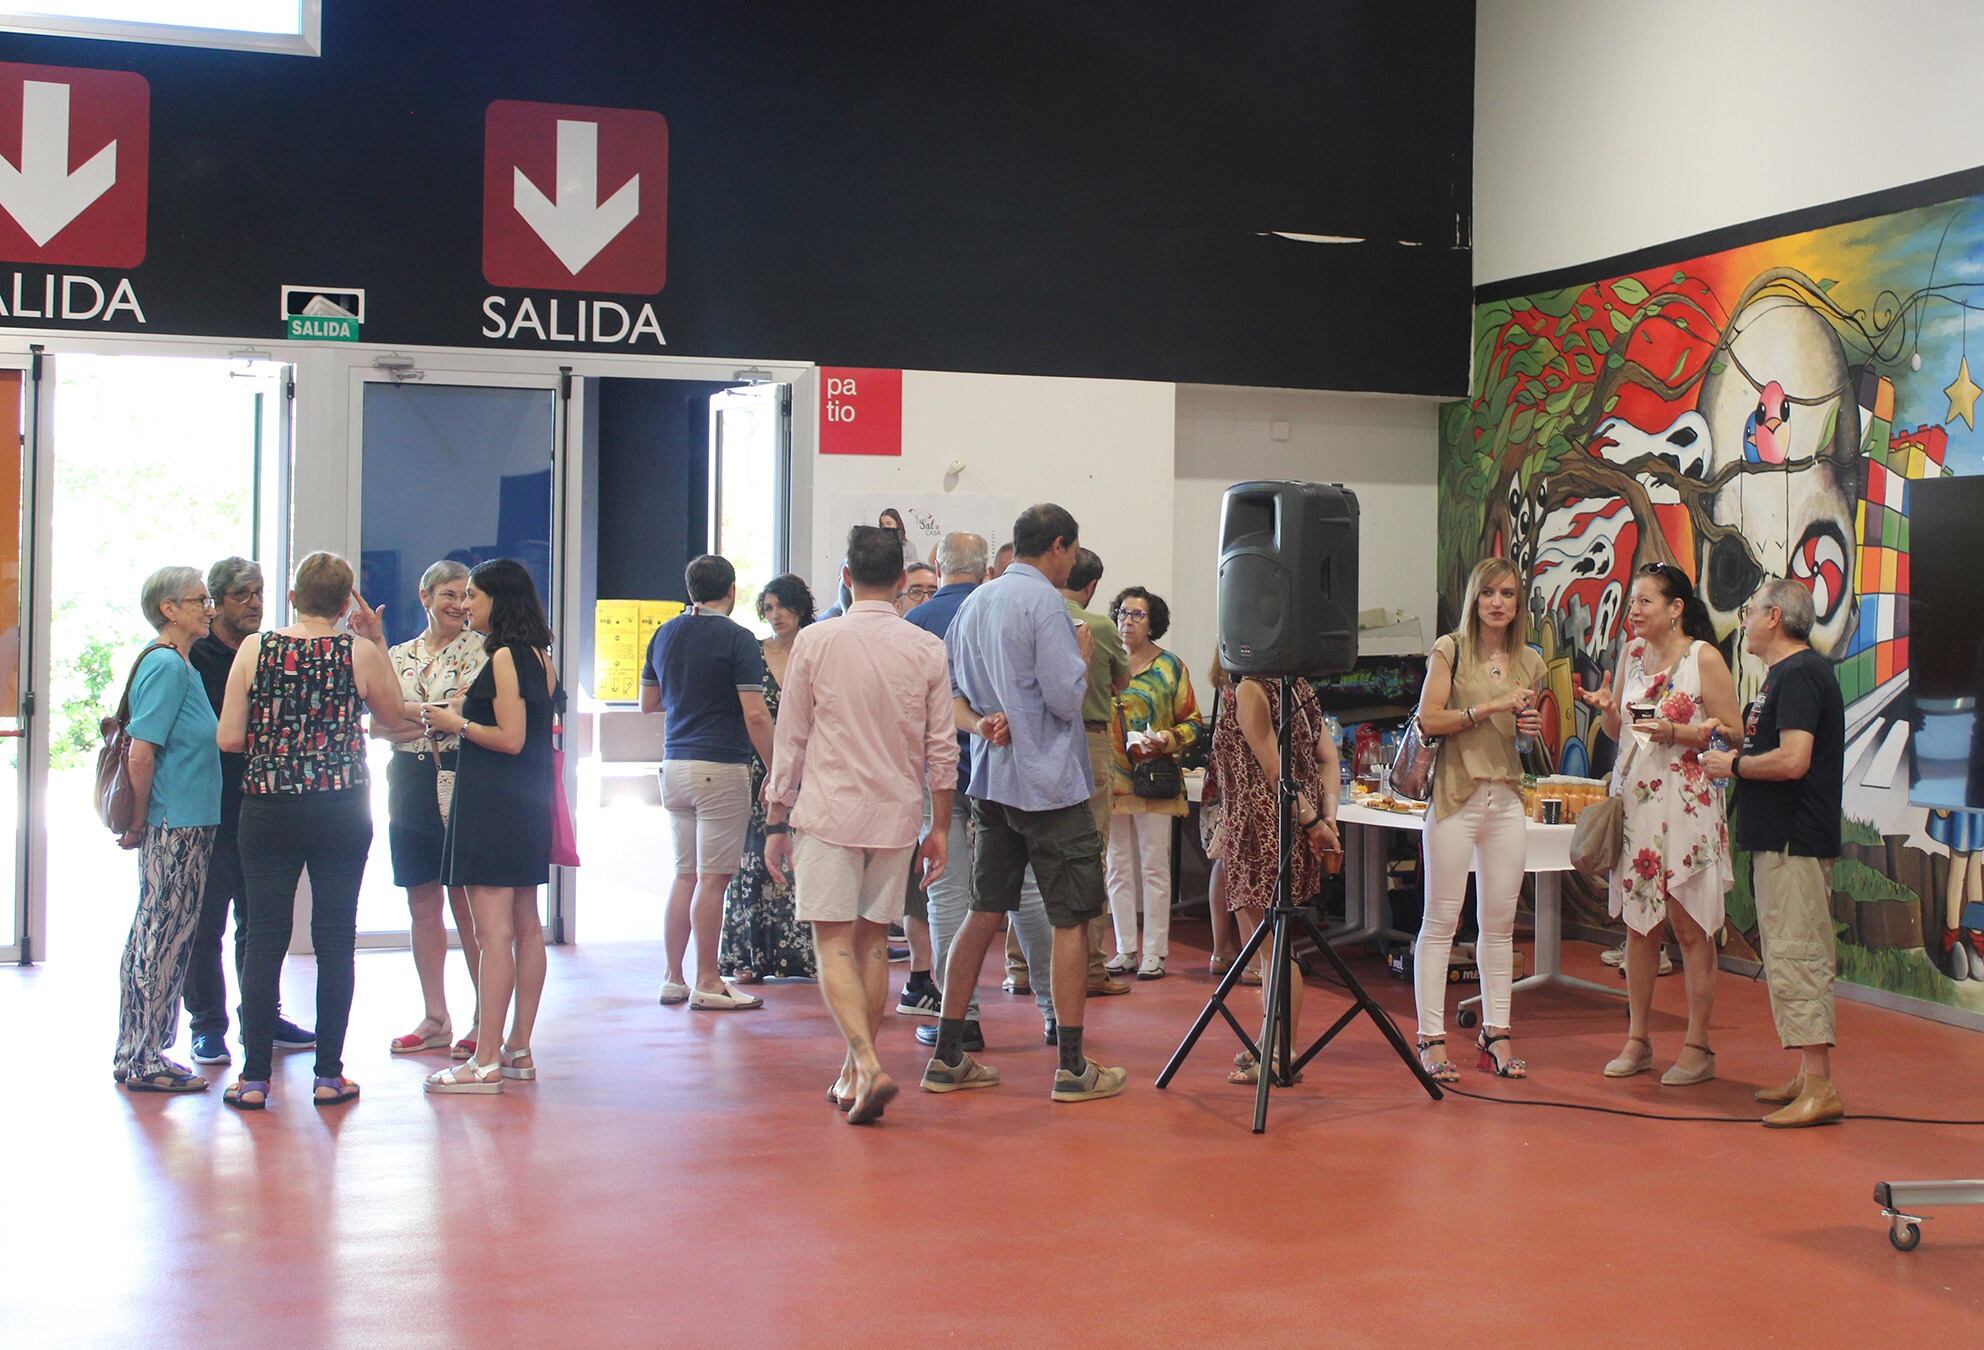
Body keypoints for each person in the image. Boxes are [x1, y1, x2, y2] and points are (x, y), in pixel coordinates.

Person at [924, 503, 1127, 1104]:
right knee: (1071, 916)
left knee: (983, 910)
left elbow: (956, 698)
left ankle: (947, 1053)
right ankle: (1071, 1066)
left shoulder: (976, 602)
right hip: (1049, 784)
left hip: (991, 781)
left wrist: (985, 724)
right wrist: (1083, 658)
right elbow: (1067, 699)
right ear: (1060, 547)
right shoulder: (1046, 604)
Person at [763, 526, 958, 1123]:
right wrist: (941, 828)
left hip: (828, 810)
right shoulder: (926, 647)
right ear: (903, 582)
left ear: (845, 577)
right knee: (875, 941)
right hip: (897, 814)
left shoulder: (816, 643)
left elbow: (790, 736)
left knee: (833, 942)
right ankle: (853, 1071)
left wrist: (776, 817)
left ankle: (868, 1064)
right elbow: (942, 748)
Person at [218, 552, 408, 1109]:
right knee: (333, 938)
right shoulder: (359, 652)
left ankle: (254, 1078)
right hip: (341, 806)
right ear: (348, 601)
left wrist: (279, 743)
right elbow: (393, 716)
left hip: (269, 806)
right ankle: (329, 1074)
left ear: (293, 596)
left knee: (265, 938)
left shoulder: (257, 648)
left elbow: (229, 737)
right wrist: (373, 636)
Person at [1575, 563, 1738, 1086]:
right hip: (1640, 808)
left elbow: (1732, 735)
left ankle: (1697, 1046)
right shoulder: (1630, 655)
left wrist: (1678, 731)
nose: (1634, 611)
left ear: (1675, 608)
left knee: (1691, 928)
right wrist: (1605, 708)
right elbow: (1619, 727)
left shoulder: (1702, 658)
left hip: (1689, 807)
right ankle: (1638, 1040)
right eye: (1632, 602)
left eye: (1645, 601)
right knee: (1639, 928)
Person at [904, 533, 1060, 1052]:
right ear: (988, 569)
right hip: (1002, 769)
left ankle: (961, 1019)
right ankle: (1057, 1012)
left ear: (938, 566)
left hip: (939, 774)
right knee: (1029, 892)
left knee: (948, 893)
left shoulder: (915, 624)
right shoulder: (1000, 608)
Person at [1705, 578, 1847, 1127]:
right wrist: (1735, 744)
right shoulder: (1782, 677)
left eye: (1748, 611)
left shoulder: (1803, 675)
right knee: (1788, 955)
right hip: (1777, 840)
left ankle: (1822, 1084)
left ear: (1774, 617)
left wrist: (1734, 766)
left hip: (1795, 840)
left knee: (1801, 954)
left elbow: (1793, 761)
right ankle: (1807, 1076)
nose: (1742, 620)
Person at [420, 559, 561, 1094]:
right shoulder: (537, 656)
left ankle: (484, 1060)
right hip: (523, 803)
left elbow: (511, 737)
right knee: (524, 925)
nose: (465, 605)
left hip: (495, 804)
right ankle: (518, 1047)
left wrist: (457, 721)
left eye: (474, 595)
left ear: (498, 600)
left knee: (494, 931)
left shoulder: (504, 655)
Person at [1409, 556, 1546, 1083]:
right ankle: (1431, 1037)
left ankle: (1496, 1032)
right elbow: (1429, 718)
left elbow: (1526, 743)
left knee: (1501, 925)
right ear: (1474, 597)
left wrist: (1529, 728)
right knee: (1440, 921)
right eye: (1489, 592)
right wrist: (1489, 708)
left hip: (1506, 797)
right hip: (1454, 796)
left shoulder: (1530, 661)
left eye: (1508, 595)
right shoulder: (1450, 648)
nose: (1498, 603)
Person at [182, 557, 314, 1067]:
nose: (256, 603)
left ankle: (262, 1016)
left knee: (261, 924)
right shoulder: (196, 656)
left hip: (265, 805)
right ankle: (207, 1024)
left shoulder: (273, 651)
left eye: (260, 592)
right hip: (209, 808)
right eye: (243, 594)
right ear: (217, 601)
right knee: (206, 923)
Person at [642, 554, 776, 1010]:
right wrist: (778, 767)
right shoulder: (738, 639)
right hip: (719, 766)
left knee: (684, 875)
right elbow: (755, 713)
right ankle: (708, 981)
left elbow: (648, 701)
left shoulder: (665, 632)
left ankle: (672, 978)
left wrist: (688, 699)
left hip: (673, 763)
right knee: (713, 881)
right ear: (732, 590)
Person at [111, 567, 224, 1093]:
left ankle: (144, 1051)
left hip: (190, 819)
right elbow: (142, 748)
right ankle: (141, 1058)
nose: (209, 607)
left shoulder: (182, 664)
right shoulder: (166, 665)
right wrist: (137, 820)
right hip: (172, 822)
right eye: (198, 600)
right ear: (168, 610)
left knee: (168, 934)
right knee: (159, 935)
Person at [376, 560, 487, 1059]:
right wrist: (433, 720)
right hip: (408, 777)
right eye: (448, 593)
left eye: (466, 594)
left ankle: (486, 1014)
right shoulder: (399, 654)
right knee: (421, 899)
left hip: (461, 772)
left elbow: (463, 716)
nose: (458, 604)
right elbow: (379, 722)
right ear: (425, 596)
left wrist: (416, 716)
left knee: (467, 900)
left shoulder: (482, 651)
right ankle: (435, 1015)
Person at [1207, 670, 1339, 1082]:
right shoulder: (1299, 689)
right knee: (1271, 949)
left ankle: (1283, 1049)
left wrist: (1314, 821)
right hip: (1280, 829)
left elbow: (1271, 770)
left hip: (1259, 832)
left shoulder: (1249, 690)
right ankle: (1270, 1040)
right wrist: (1325, 817)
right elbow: (1329, 758)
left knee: (1271, 951)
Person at [719, 575, 817, 983]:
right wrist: (776, 768)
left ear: (801, 609)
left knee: (803, 857)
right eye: (770, 608)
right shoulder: (753, 652)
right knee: (753, 860)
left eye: (784, 607)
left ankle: (805, 954)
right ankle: (748, 955)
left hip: (810, 766)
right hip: (759, 766)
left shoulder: (816, 650)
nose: (776, 616)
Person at [1105, 586, 1202, 980]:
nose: (1127, 621)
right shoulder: (1107, 663)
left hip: (1155, 776)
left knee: (1155, 866)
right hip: (1112, 777)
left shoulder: (1170, 668)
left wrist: (1168, 739)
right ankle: (1124, 947)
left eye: (1137, 615)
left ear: (1153, 623)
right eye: (1123, 613)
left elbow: (1193, 721)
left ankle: (1155, 951)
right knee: (1116, 866)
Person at [879, 507, 923, 571]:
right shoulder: (877, 546)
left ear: (897, 524)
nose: (886, 527)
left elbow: (914, 570)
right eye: (882, 525)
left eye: (889, 523)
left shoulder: (909, 546)